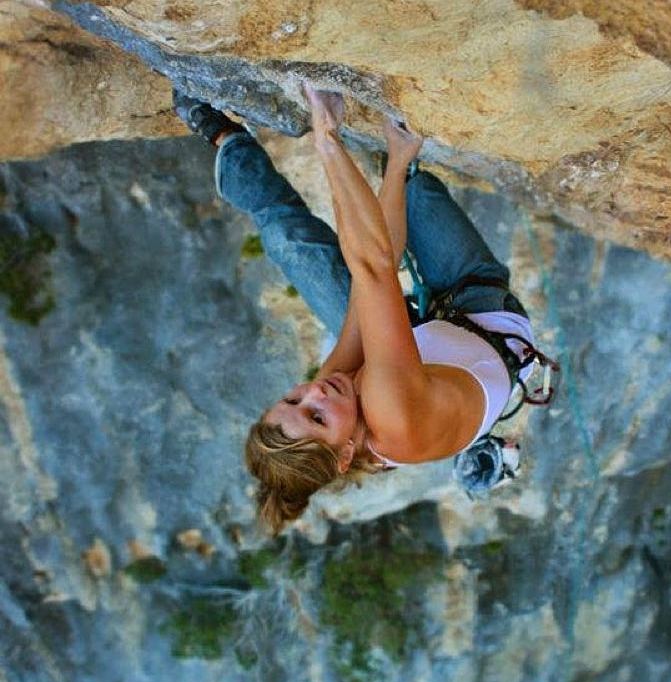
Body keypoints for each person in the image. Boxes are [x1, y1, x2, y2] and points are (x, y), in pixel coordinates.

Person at [173, 84, 537, 534]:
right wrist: (330, 139)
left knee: (295, 244)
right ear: (346, 455)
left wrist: (395, 159)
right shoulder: (393, 415)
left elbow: (374, 277)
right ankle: (403, 175)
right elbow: (373, 267)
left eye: (293, 399)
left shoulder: (334, 391)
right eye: (316, 417)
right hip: (478, 305)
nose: (314, 393)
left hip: (422, 333)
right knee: (414, 189)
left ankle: (223, 136)